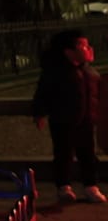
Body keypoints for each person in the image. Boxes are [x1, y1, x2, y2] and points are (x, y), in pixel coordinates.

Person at [32, 28, 106, 204]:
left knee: (88, 154)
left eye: (88, 45)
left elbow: (98, 95)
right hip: (63, 121)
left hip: (86, 121)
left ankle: (90, 186)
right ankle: (63, 186)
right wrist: (40, 113)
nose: (88, 49)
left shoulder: (90, 73)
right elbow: (43, 93)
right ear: (68, 52)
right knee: (63, 154)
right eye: (83, 46)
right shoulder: (55, 73)